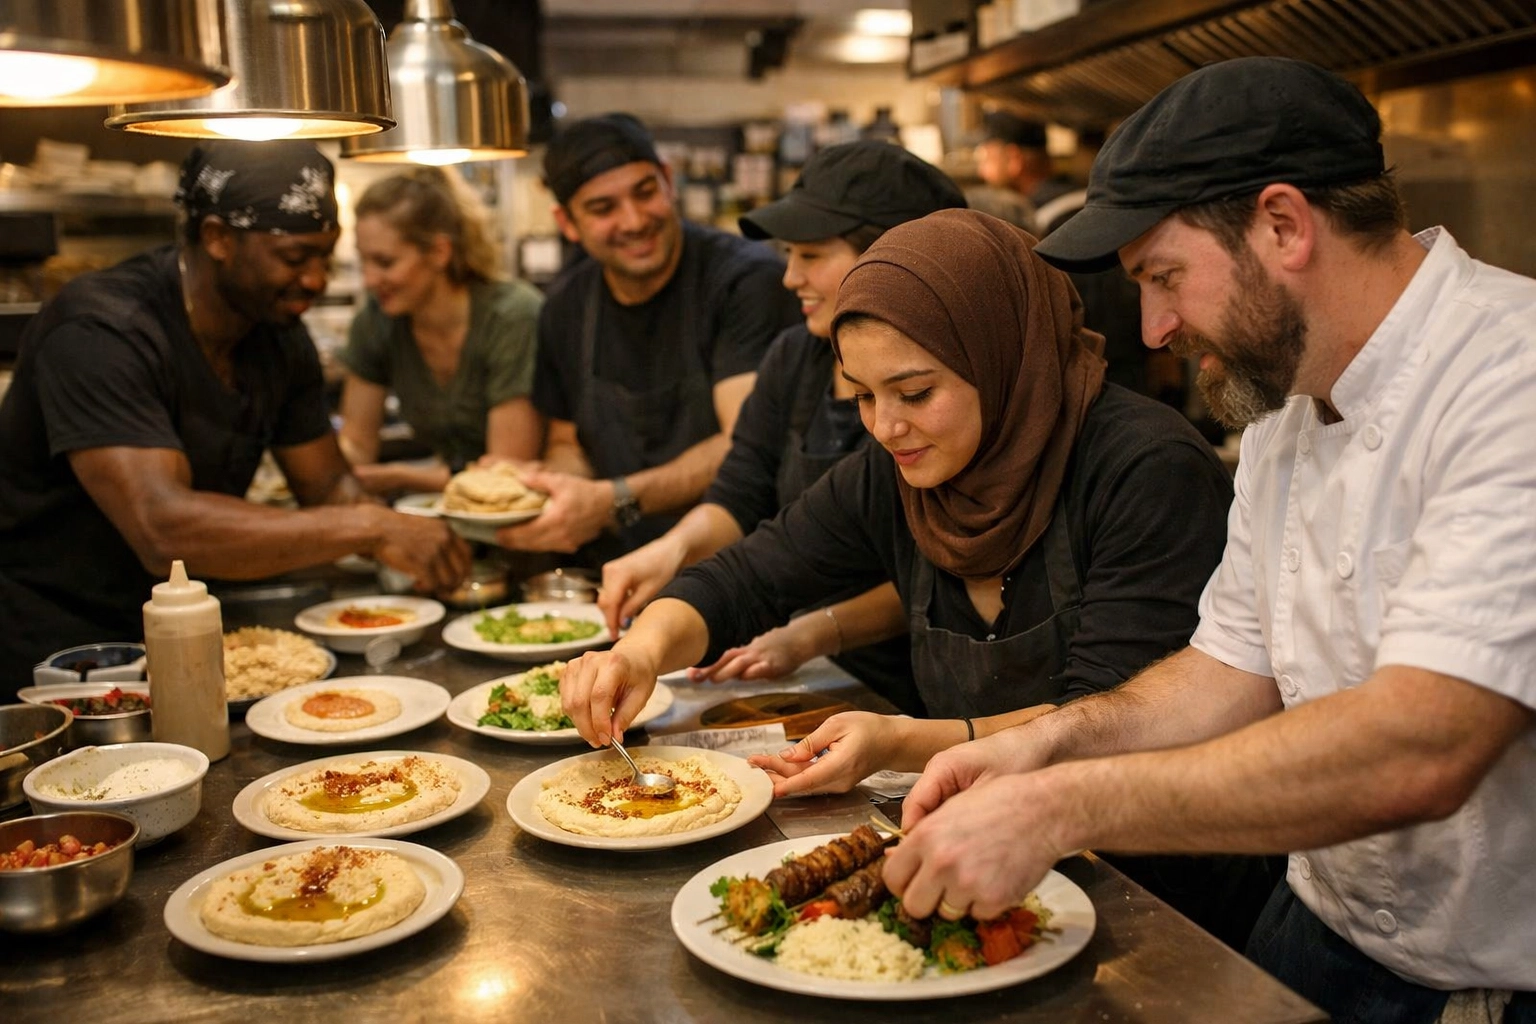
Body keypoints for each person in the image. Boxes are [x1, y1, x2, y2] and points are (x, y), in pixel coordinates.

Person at [887, 58, 1536, 1024]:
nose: (1153, 329)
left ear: (1283, 225)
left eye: (1163, 277)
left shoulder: (1510, 379)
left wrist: (1065, 808)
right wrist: (1051, 747)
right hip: (1313, 940)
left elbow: (1421, 747)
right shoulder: (1282, 420)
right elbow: (1228, 672)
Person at [565, 209, 1276, 947]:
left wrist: (902, 740)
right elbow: (752, 574)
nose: (885, 426)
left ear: (999, 356)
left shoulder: (1144, 469)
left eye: (913, 392)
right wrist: (639, 653)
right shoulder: (899, 472)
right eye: (864, 395)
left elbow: (1107, 717)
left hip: (1158, 898)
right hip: (987, 876)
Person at [0, 141, 470, 699]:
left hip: (195, 626)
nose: (317, 280)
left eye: (326, 256)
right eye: (296, 258)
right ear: (218, 237)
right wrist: (374, 528)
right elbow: (163, 526)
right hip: (63, 649)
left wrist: (407, 549)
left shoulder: (277, 335)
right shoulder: (101, 330)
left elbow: (327, 487)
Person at [596, 140, 966, 716]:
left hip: (912, 694)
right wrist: (670, 553)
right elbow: (741, 496)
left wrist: (817, 631)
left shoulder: (962, 386)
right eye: (789, 253)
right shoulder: (796, 356)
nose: (790, 276)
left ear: (896, 257)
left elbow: (946, 576)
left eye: (812, 254)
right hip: (813, 673)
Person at [494, 113, 800, 563]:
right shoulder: (566, 306)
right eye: (603, 209)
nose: (635, 220)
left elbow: (746, 441)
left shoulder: (745, 281)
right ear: (567, 223)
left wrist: (612, 500)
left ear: (669, 182)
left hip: (742, 567)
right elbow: (566, 443)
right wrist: (554, 488)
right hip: (618, 565)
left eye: (645, 192)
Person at [337, 167, 543, 495]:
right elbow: (357, 445)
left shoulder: (511, 316)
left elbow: (507, 474)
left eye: (385, 262)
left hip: (528, 515)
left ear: (439, 252)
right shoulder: (376, 321)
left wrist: (402, 477)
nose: (369, 281)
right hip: (447, 508)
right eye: (364, 262)